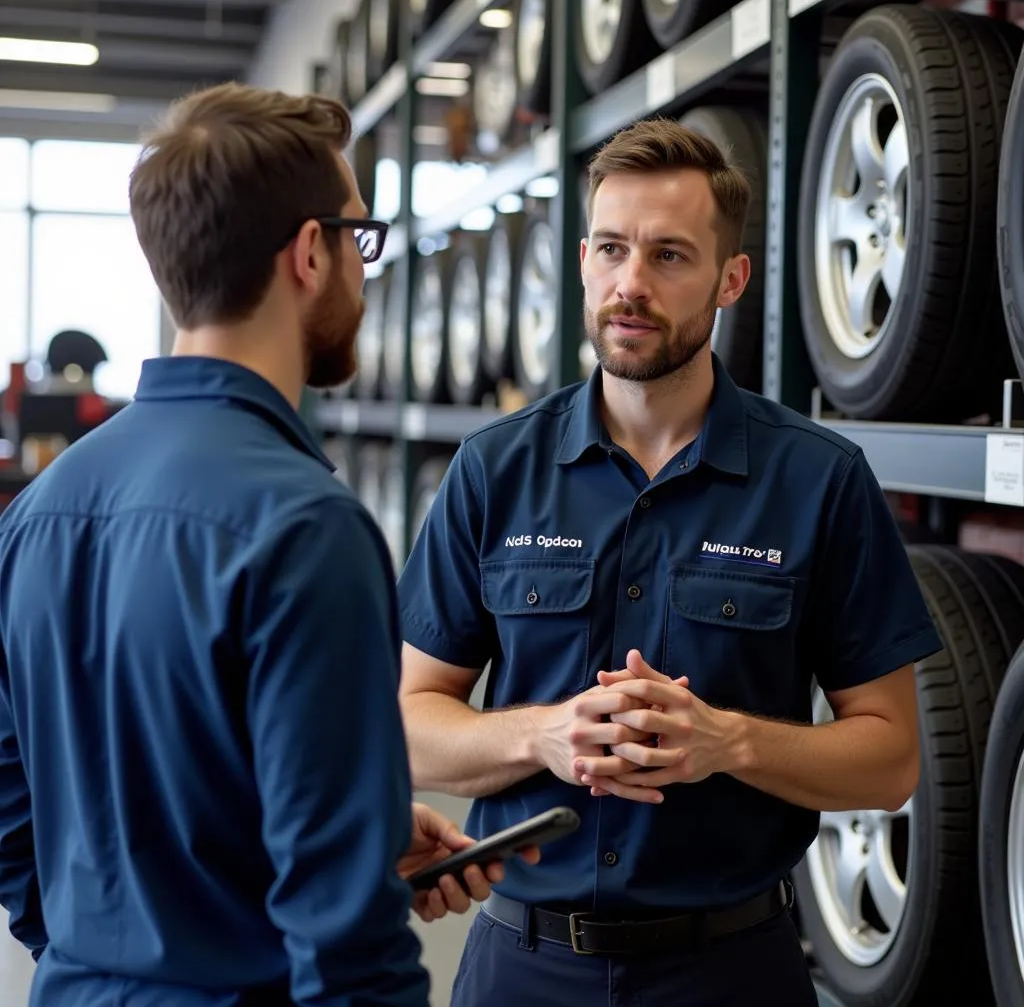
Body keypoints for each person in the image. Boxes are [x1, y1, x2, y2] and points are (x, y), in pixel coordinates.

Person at [0, 81, 537, 1007]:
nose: (366, 273)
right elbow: (346, 944)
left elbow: (17, 810)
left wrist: (108, 952)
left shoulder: (40, 510)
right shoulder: (303, 529)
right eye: (359, 240)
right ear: (308, 255)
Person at [396, 117, 944, 1006]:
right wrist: (545, 733)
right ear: (581, 261)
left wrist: (726, 743)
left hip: (731, 968)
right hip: (521, 969)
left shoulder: (819, 481)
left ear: (731, 279)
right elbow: (412, 724)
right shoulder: (494, 472)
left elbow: (889, 763)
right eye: (611, 250)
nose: (631, 285)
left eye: (669, 257)